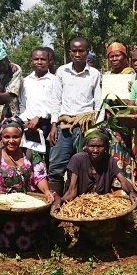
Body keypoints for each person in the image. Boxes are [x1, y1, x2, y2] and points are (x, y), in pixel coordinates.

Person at [0, 118, 56, 251]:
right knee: (14, 232)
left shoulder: (30, 155)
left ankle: (41, 239)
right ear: (0, 138)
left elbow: (40, 177)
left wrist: (46, 191)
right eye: (6, 137)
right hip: (4, 206)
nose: (11, 141)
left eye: (15, 137)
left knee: (43, 216)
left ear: (21, 137)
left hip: (29, 202)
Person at [56, 127, 137, 246]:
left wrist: (131, 192)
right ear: (86, 147)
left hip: (102, 202)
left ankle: (115, 235)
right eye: (92, 146)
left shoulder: (109, 160)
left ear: (106, 148)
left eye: (100, 146)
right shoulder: (77, 159)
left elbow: (123, 180)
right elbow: (72, 190)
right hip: (82, 203)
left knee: (122, 202)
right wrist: (61, 201)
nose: (95, 150)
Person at [47, 37, 102, 193]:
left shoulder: (94, 74)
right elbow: (56, 99)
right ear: (70, 52)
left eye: (81, 51)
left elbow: (98, 103)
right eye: (75, 51)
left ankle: (79, 201)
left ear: (87, 52)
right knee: (56, 166)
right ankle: (55, 201)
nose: (78, 54)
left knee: (83, 166)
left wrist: (97, 128)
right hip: (64, 125)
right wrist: (53, 125)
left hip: (85, 126)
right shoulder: (62, 71)